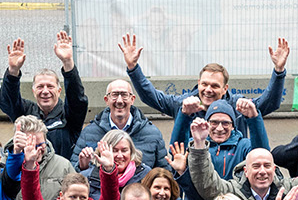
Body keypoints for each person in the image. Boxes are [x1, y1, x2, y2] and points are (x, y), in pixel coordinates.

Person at [122, 32, 286, 147]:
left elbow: (269, 103)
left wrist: (279, 72)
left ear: (225, 89)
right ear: (198, 82)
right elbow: (152, 97)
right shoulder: (184, 105)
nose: (208, 90)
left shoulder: (238, 106)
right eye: (205, 84)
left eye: (215, 86)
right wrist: (133, 67)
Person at [0, 31, 88, 160]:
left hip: (61, 175)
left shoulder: (69, 114)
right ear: (33, 91)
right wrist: (13, 71)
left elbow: (77, 99)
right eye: (40, 87)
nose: (45, 91)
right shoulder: (25, 112)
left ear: (59, 91)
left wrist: (68, 63)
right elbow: (7, 101)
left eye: (50, 86)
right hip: (30, 172)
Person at [73, 76, 169, 172]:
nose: (119, 101)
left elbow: (165, 174)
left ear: (132, 99)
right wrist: (82, 167)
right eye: (114, 95)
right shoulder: (89, 133)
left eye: (124, 95)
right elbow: (73, 173)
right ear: (106, 100)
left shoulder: (152, 134)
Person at [10, 115, 75, 200]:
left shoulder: (63, 166)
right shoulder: (6, 166)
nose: (38, 150)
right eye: (32, 145)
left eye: (41, 145)